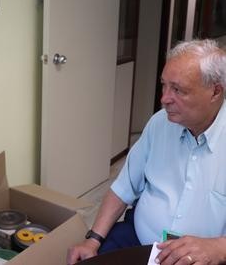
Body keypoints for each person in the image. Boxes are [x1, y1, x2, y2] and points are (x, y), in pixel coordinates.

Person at [67, 39, 226, 265]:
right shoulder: (160, 123)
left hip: (202, 258)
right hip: (138, 240)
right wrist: (92, 240)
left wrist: (218, 248)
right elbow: (124, 188)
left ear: (215, 92)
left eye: (178, 90)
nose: (164, 99)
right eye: (164, 85)